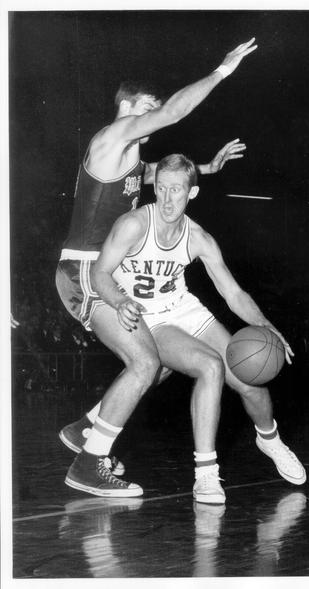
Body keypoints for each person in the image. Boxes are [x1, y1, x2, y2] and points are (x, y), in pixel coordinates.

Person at [56, 39, 258, 495]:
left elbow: (152, 176)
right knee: (145, 361)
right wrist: (222, 71)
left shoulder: (127, 157)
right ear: (127, 106)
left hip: (100, 271)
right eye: (148, 106)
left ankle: (86, 427)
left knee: (161, 360)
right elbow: (174, 114)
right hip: (87, 274)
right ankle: (88, 466)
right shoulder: (114, 136)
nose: (155, 113)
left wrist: (205, 166)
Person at [65, 154, 306, 504]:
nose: (166, 198)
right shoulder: (133, 224)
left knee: (251, 381)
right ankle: (206, 474)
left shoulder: (198, 238)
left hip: (185, 308)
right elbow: (99, 273)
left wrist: (267, 326)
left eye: (176, 190)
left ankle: (270, 439)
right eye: (161, 188)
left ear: (191, 193)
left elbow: (233, 292)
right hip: (151, 317)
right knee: (210, 366)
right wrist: (120, 302)